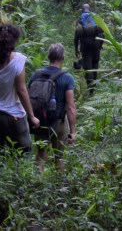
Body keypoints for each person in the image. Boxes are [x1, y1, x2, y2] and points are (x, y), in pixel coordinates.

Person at [0, 22, 39, 168]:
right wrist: (32, 116)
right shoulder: (17, 61)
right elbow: (21, 90)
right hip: (12, 117)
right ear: (14, 41)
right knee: (23, 154)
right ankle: (19, 187)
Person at [29, 42, 77, 171]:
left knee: (40, 153)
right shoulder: (67, 78)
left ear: (48, 56)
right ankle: (59, 185)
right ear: (63, 57)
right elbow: (71, 107)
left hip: (39, 122)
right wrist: (72, 131)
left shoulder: (36, 75)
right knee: (59, 156)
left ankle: (37, 183)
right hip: (58, 123)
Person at [74, 3, 103, 92]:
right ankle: (93, 88)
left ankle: (90, 90)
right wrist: (100, 46)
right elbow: (102, 35)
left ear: (82, 10)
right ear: (89, 9)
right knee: (95, 66)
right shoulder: (94, 18)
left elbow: (76, 38)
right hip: (96, 46)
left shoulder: (80, 20)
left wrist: (76, 50)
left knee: (88, 69)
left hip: (85, 48)